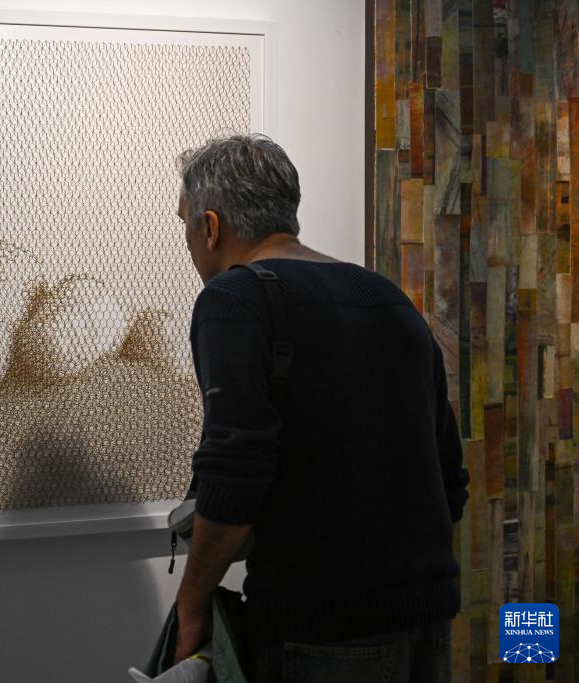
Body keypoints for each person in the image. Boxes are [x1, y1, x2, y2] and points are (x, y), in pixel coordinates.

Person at [171, 133, 470, 682]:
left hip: (321, 628)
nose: (189, 244)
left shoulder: (233, 300)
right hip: (427, 617)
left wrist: (191, 606)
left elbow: (235, 473)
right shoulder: (387, 297)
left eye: (185, 226)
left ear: (211, 227)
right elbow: (448, 474)